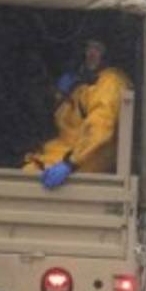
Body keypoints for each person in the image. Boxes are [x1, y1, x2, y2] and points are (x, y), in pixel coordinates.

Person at [23, 38, 131, 188]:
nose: (91, 54)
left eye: (98, 49)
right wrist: (59, 95)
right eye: (88, 48)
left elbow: (99, 130)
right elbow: (64, 122)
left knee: (30, 176)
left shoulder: (110, 83)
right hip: (71, 149)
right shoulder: (85, 82)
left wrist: (70, 163)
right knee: (28, 165)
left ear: (108, 54)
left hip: (89, 156)